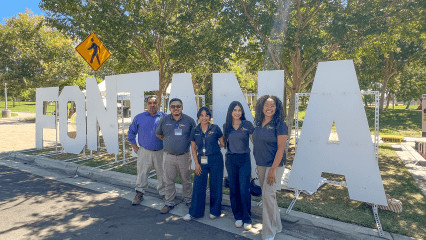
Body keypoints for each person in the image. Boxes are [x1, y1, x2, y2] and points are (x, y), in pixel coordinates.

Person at [252, 95, 288, 240]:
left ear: (277, 108)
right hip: (261, 164)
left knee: (268, 196)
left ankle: (268, 233)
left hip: (275, 165)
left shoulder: (280, 125)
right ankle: (277, 226)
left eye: (272, 106)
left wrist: (272, 170)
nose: (269, 108)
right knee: (269, 197)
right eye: (266, 105)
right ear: (262, 107)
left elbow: (281, 149)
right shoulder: (259, 123)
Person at [183, 107, 225, 221]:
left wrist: (213, 148)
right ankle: (195, 212)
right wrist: (196, 164)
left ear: (209, 117)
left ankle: (214, 211)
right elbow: (193, 148)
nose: (204, 117)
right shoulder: (195, 130)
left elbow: (222, 143)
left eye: (206, 115)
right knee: (198, 185)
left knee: (216, 185)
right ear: (198, 117)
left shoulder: (215, 128)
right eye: (201, 115)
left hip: (216, 159)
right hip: (201, 160)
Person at [156, 98, 196, 214]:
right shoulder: (164, 120)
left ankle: (188, 200)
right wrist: (170, 142)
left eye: (178, 106)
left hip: (184, 156)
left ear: (182, 107)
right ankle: (169, 202)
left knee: (186, 180)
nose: (176, 108)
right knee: (168, 181)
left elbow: (193, 137)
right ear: (169, 108)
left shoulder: (189, 121)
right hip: (169, 156)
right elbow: (159, 134)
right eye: (173, 106)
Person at [127, 96, 166, 205]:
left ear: (158, 104)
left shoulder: (164, 117)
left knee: (162, 173)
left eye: (155, 103)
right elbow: (131, 132)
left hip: (161, 151)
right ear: (146, 105)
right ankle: (139, 193)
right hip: (144, 150)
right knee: (142, 173)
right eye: (150, 103)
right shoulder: (139, 117)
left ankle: (163, 193)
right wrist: (135, 147)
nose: (152, 105)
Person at [223, 101, 254, 231]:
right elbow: (224, 144)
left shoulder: (247, 125)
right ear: (231, 112)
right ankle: (238, 217)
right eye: (234, 110)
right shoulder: (227, 126)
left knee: (244, 189)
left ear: (242, 112)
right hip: (231, 160)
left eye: (239, 110)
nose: (237, 112)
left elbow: (255, 142)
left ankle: (247, 218)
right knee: (234, 189)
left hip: (244, 160)